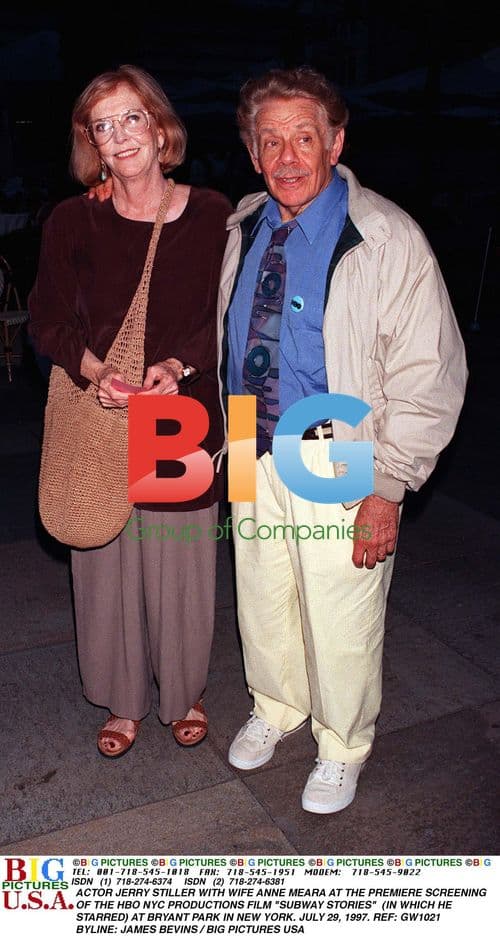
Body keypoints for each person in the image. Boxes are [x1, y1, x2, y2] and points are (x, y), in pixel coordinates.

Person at [218, 68, 467, 813]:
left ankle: (341, 744)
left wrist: (387, 485)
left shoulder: (386, 236)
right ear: (252, 153)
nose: (289, 156)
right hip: (243, 434)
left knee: (342, 605)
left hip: (336, 443)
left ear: (336, 141)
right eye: (271, 141)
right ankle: (278, 705)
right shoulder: (244, 221)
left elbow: (430, 370)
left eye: (305, 137)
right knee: (262, 594)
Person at [29, 65, 231, 757]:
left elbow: (222, 313)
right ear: (90, 141)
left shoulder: (210, 213)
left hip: (180, 411)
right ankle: (123, 700)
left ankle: (184, 691)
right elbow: (47, 321)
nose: (118, 135)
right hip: (102, 408)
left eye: (130, 117)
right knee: (105, 554)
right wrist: (93, 372)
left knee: (180, 560)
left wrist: (180, 366)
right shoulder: (71, 218)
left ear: (159, 125)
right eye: (101, 124)